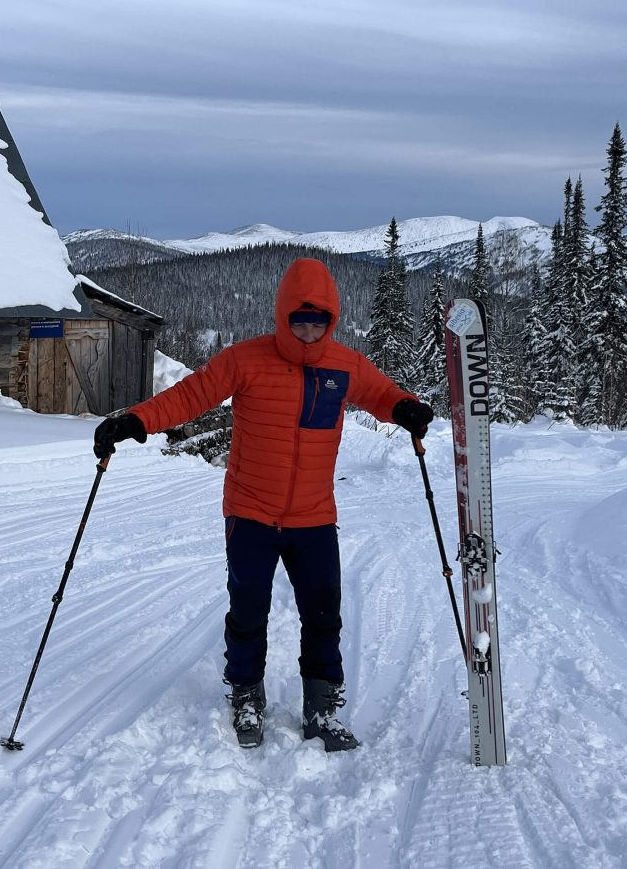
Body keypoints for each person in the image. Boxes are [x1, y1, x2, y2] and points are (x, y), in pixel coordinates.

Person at [93, 257, 434, 751]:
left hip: (315, 517)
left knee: (323, 615)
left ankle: (321, 710)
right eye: (300, 320)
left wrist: (404, 407)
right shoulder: (244, 360)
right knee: (248, 610)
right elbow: (189, 397)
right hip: (251, 511)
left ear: (332, 320)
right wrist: (134, 421)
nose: (310, 330)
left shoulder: (346, 366)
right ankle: (246, 696)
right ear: (282, 317)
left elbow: (382, 394)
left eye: (320, 321)